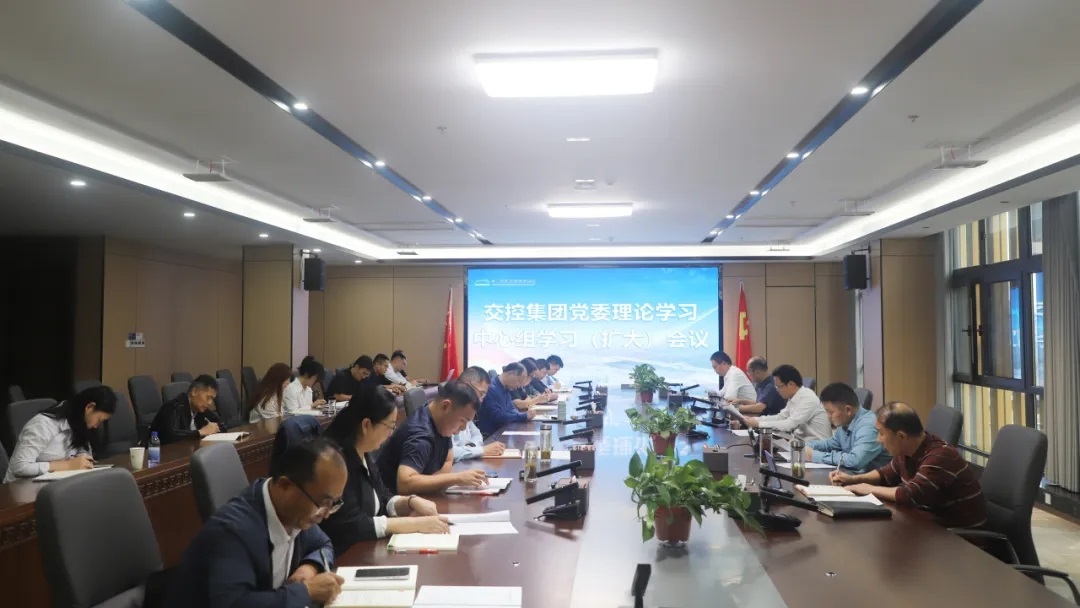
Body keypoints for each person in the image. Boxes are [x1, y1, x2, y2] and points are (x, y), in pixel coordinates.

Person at [165, 438, 347, 608]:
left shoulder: (296, 513)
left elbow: (323, 544)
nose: (326, 514)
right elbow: (235, 603)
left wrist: (310, 567)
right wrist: (306, 592)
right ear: (285, 486)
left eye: (333, 503)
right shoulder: (232, 532)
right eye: (322, 502)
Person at [320, 387, 450, 554]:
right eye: (390, 426)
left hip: (367, 549)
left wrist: (410, 502)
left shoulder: (363, 451)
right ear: (366, 425)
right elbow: (351, 525)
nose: (390, 434)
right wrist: (414, 524)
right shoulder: (337, 461)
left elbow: (382, 496)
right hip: (344, 555)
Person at [830, 402, 987, 529]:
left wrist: (867, 489)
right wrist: (853, 479)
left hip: (961, 539)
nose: (878, 439)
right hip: (927, 524)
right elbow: (886, 474)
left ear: (901, 436)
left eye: (881, 433)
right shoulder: (908, 449)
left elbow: (908, 495)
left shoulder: (940, 456)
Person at [376, 380, 488, 495]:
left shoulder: (441, 422)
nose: (464, 428)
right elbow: (405, 484)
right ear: (445, 406)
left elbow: (448, 459)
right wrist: (456, 478)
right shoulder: (420, 437)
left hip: (420, 497)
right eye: (462, 421)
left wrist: (434, 483)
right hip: (391, 502)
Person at [3, 386, 116, 483]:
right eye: (99, 420)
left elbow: (81, 453)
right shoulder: (43, 424)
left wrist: (83, 460)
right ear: (89, 407)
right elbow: (19, 467)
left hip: (53, 485)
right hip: (18, 489)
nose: (97, 426)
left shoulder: (80, 424)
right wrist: (68, 465)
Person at [804, 382, 890, 472]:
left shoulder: (869, 425)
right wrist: (803, 447)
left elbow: (855, 461)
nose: (828, 416)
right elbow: (830, 445)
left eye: (831, 412)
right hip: (855, 476)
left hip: (877, 479)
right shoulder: (845, 422)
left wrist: (813, 455)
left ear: (848, 410)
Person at [739, 365, 830, 441]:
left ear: (791, 384)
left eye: (778, 386)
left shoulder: (808, 398)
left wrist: (759, 424)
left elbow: (790, 424)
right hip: (799, 441)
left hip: (816, 446)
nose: (777, 390)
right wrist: (755, 420)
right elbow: (781, 417)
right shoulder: (793, 397)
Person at [150, 375, 227, 444]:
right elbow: (172, 435)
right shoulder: (173, 407)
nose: (210, 403)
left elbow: (222, 425)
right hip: (161, 453)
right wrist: (200, 432)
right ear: (194, 391)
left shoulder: (201, 409)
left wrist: (214, 428)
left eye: (212, 399)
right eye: (208, 397)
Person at [452, 366, 505, 461]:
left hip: (465, 462)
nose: (480, 400)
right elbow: (448, 452)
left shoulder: (467, 408)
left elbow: (477, 434)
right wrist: (480, 450)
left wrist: (471, 449)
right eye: (480, 394)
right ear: (466, 386)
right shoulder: (450, 409)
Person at [476, 362, 537, 437]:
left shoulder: (506, 387)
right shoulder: (491, 388)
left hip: (504, 431)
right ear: (510, 373)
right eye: (518, 381)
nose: (518, 386)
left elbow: (511, 408)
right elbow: (498, 417)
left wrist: (525, 415)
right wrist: (523, 416)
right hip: (491, 435)